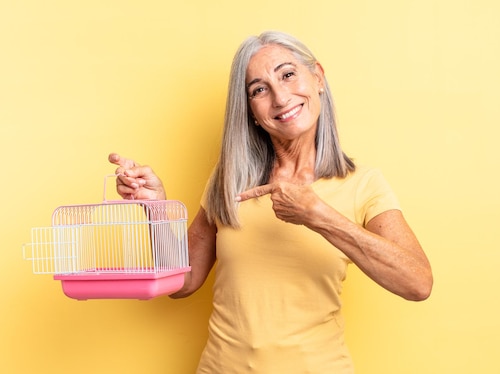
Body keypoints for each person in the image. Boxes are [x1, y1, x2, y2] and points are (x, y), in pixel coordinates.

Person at [109, 30, 432, 373]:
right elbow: (183, 284)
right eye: (259, 89)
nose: (280, 98)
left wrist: (317, 214)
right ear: (249, 110)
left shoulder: (364, 183)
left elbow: (417, 283)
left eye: (288, 74)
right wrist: (156, 208)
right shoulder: (229, 177)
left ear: (318, 77)